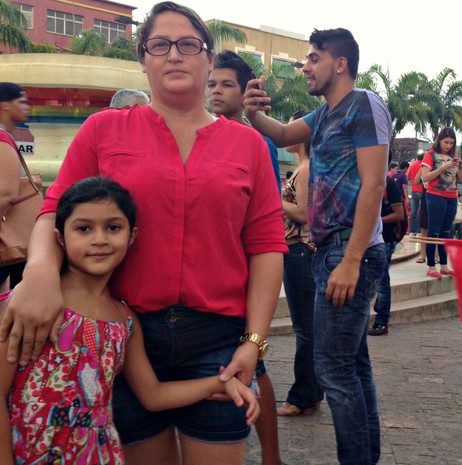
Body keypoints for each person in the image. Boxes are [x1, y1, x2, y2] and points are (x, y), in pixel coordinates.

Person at [0, 3, 287, 465]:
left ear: (209, 59)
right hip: (125, 334)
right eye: (160, 45)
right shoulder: (104, 130)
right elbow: (53, 211)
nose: (175, 55)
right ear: (143, 58)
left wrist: (253, 343)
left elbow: (267, 246)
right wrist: (38, 274)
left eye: (188, 45)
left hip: (216, 340)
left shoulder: (248, 144)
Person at [0, 176, 259, 465]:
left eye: (113, 227)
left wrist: (220, 384)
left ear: (131, 236)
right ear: (60, 237)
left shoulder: (124, 320)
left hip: (97, 455)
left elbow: (153, 394)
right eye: (83, 228)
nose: (99, 239)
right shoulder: (33, 307)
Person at [244, 27, 391, 465]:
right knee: (353, 365)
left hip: (348, 250)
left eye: (313, 58)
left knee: (334, 371)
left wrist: (350, 260)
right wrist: (252, 113)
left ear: (339, 63)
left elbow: (374, 184)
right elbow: (283, 133)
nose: (305, 67)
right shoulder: (326, 113)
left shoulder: (362, 104)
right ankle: (365, 457)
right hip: (331, 249)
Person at [206, 49, 284, 465]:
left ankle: (271, 457)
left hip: (240, 276)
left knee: (256, 368)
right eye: (213, 83)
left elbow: (264, 226)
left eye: (227, 85)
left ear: (245, 91)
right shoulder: (205, 133)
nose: (217, 91)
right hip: (218, 276)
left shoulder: (256, 144)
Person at [277, 109, 324, 417]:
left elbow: (304, 216)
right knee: (307, 326)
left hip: (301, 251)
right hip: (297, 251)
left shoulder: (307, 169)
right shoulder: (303, 168)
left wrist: (273, 196)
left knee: (305, 327)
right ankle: (311, 392)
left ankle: (302, 394)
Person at [420, 127, 462, 278]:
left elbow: (461, 178)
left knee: (447, 232)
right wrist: (443, 167)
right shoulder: (430, 155)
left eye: (451, 143)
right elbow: (425, 178)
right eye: (446, 142)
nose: (448, 146)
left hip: (451, 196)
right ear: (439, 140)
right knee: (433, 231)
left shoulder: (452, 156)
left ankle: (444, 265)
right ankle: (431, 266)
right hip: (435, 195)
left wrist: (458, 166)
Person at [0, 83, 31, 291]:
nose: (26, 107)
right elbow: (6, 193)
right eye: (21, 102)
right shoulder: (2, 139)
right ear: (5, 105)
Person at [368, 174, 404, 336]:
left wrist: (376, 221)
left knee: (381, 282)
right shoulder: (368, 180)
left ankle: (382, 321)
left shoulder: (389, 184)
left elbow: (399, 214)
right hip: (371, 237)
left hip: (386, 238)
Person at [406, 154, 423, 237]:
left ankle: (412, 231)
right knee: (421, 211)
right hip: (422, 191)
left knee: (413, 211)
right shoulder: (424, 166)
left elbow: (407, 177)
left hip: (414, 190)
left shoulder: (412, 165)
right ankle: (420, 230)